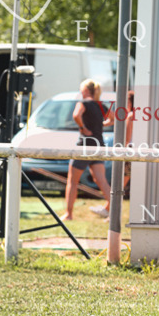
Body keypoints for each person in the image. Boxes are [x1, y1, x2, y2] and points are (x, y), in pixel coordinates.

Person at [60, 79, 113, 221]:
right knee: (101, 180)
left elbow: (76, 115)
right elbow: (113, 119)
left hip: (84, 145)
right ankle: (113, 211)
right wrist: (101, 124)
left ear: (85, 90)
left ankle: (69, 214)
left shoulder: (83, 103)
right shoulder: (100, 105)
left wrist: (83, 128)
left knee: (73, 181)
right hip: (98, 145)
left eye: (81, 89)